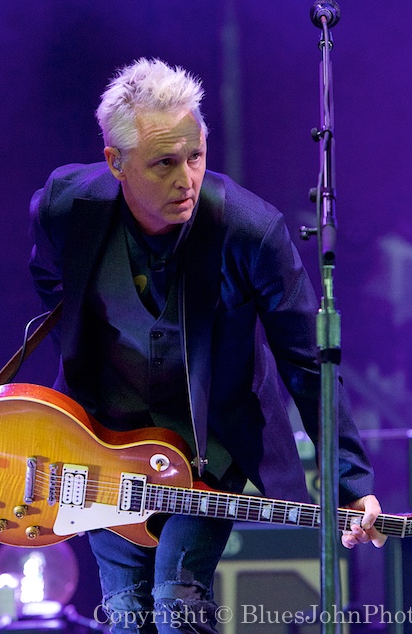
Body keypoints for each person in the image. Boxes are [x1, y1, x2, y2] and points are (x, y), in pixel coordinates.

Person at [29, 57, 383, 633]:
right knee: (125, 615)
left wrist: (350, 483)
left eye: (195, 156)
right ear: (115, 163)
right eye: (164, 162)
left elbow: (307, 361)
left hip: (208, 442)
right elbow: (51, 281)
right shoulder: (65, 206)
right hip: (106, 440)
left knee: (178, 599)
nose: (185, 178)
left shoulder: (250, 229)